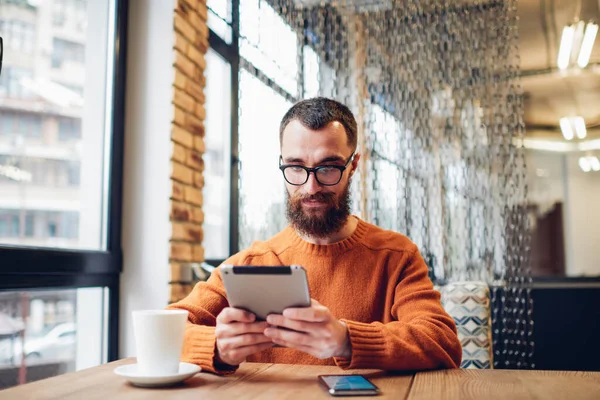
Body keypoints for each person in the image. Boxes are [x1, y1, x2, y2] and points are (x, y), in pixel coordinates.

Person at [167, 97, 462, 374]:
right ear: (282, 164)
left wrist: (346, 340)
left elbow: (442, 342)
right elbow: (166, 329)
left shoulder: (396, 255)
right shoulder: (252, 262)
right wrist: (217, 348)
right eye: (296, 167)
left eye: (328, 168)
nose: (311, 187)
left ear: (353, 166)